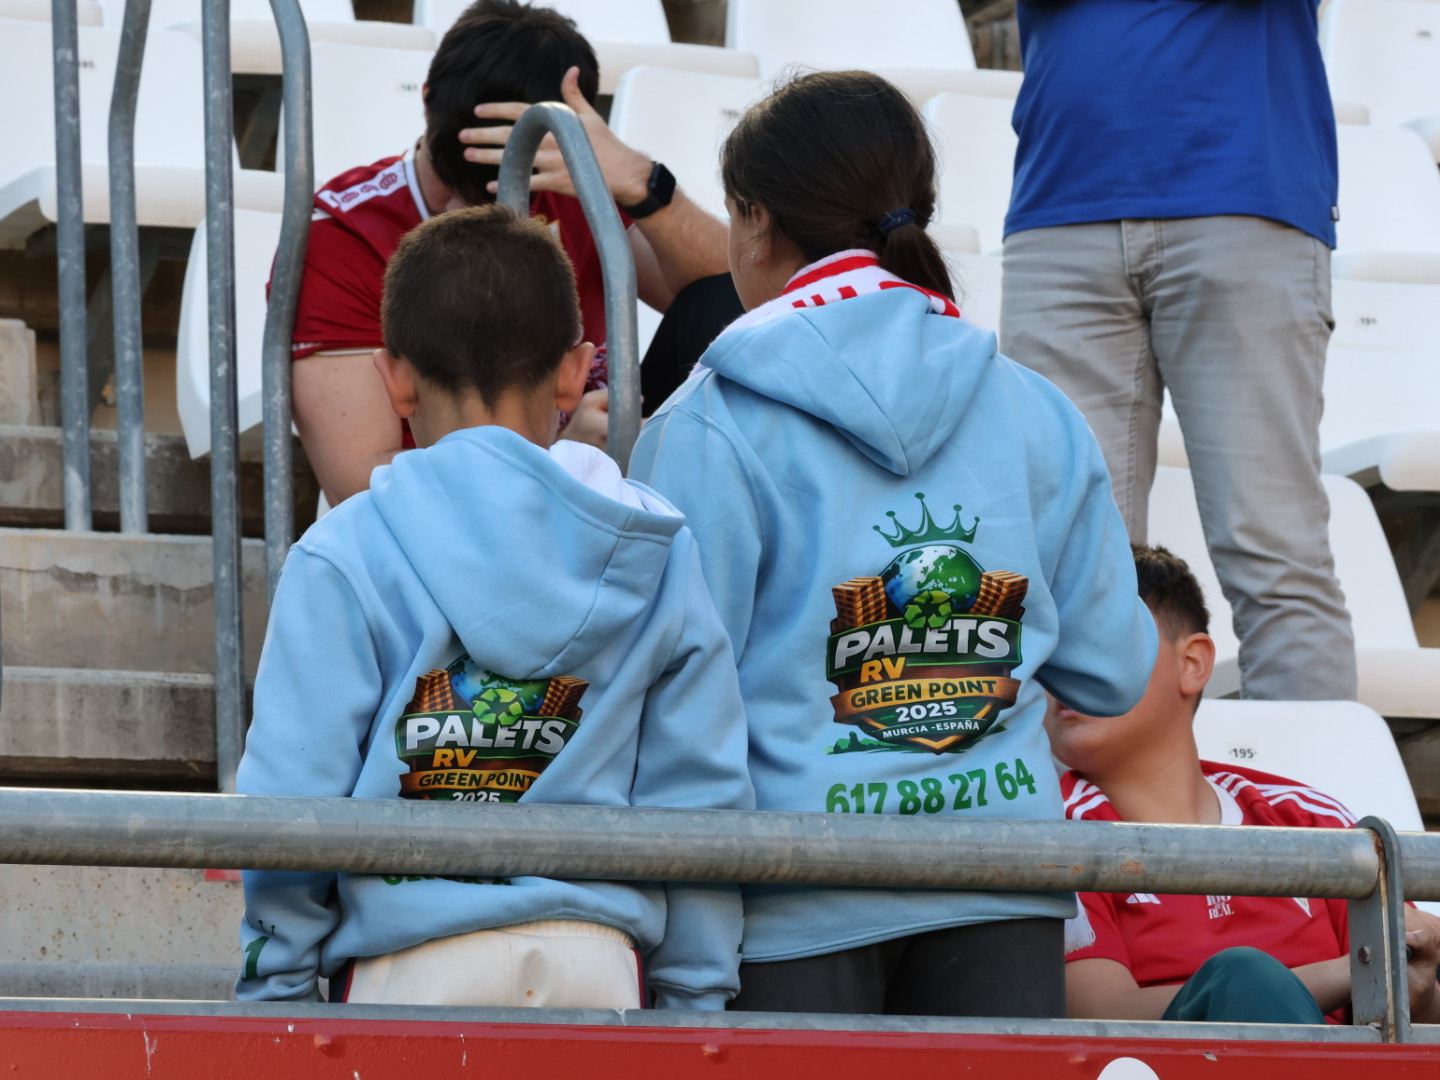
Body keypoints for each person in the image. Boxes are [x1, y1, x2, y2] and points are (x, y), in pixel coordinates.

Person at [629, 70, 1158, 1018]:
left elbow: (675, 713)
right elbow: (1115, 673)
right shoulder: (1036, 407)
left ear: (754, 221)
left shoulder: (708, 422)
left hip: (789, 907)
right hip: (1005, 893)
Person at [236, 204, 753, 1010]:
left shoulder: (342, 550)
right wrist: (697, 993)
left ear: (394, 377)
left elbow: (290, 796)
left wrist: (278, 983)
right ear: (575, 372)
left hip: (405, 965)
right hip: (599, 963)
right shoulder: (658, 546)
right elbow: (701, 793)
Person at [999, 0, 1357, 702]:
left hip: (1245, 194)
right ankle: (1070, 778)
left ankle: (1309, 775)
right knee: (1063, 564)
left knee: (1273, 554)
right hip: (1061, 208)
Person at [288, 0, 733, 504]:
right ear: (426, 100)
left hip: (600, 480)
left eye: (518, 177)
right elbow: (356, 482)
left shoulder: (566, 177)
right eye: (459, 189)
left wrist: (636, 178)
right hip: (443, 522)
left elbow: (741, 295)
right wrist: (555, 459)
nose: (476, 206)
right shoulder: (346, 233)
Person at [1049, 545, 1440, 1024]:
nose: (1069, 673)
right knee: (1241, 977)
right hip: (1164, 1063)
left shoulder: (1308, 818)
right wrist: (1356, 969)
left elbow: (1414, 991)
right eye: (1052, 654)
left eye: (1102, 642)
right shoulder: (1051, 832)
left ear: (1192, 663)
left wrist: (1412, 983)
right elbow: (1100, 1017)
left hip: (1347, 1061)